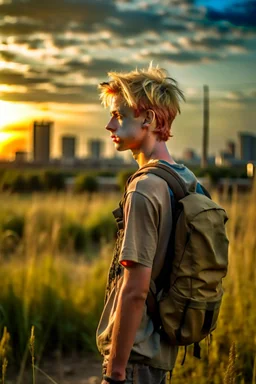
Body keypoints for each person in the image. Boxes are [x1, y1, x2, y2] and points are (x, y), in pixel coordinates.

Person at [96, 64, 200, 384]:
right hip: (160, 350)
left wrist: (115, 371)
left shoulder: (143, 188)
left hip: (135, 357)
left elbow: (134, 291)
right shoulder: (184, 178)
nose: (109, 124)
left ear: (149, 120)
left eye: (119, 115)